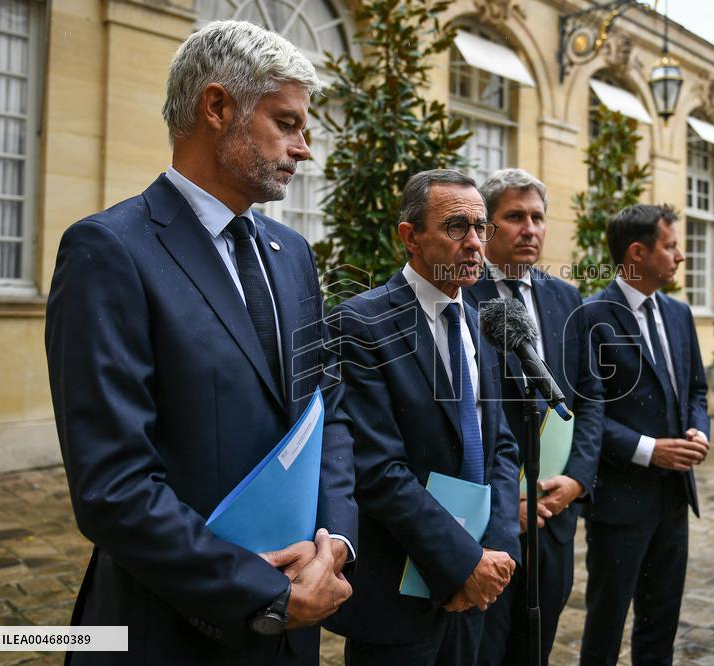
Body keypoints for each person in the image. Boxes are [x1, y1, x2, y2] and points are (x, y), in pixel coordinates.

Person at [45, 20, 356, 665]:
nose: (305, 149)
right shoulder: (109, 250)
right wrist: (258, 590)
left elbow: (328, 410)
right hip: (170, 628)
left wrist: (335, 545)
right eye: (288, 123)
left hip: (296, 625)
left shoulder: (292, 253)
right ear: (217, 107)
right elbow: (114, 484)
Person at [324, 169, 521, 666]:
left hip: (478, 585)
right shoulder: (362, 323)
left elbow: (500, 447)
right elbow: (377, 469)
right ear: (410, 237)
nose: (476, 242)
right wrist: (460, 562)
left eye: (483, 228)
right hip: (399, 592)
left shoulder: (482, 322)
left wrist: (494, 553)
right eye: (458, 227)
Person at [463, 168, 604, 665]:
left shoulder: (565, 297)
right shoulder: (459, 294)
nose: (530, 229)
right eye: (515, 217)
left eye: (538, 218)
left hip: (555, 515)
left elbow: (589, 396)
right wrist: (509, 503)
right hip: (489, 526)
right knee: (486, 650)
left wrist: (577, 480)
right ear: (486, 227)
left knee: (536, 649)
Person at [579, 205, 710, 665]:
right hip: (619, 503)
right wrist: (649, 451)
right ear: (638, 252)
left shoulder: (679, 312)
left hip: (675, 499)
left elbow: (696, 387)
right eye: (671, 246)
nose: (680, 256)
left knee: (661, 623)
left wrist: (699, 428)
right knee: (606, 627)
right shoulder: (591, 316)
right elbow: (584, 413)